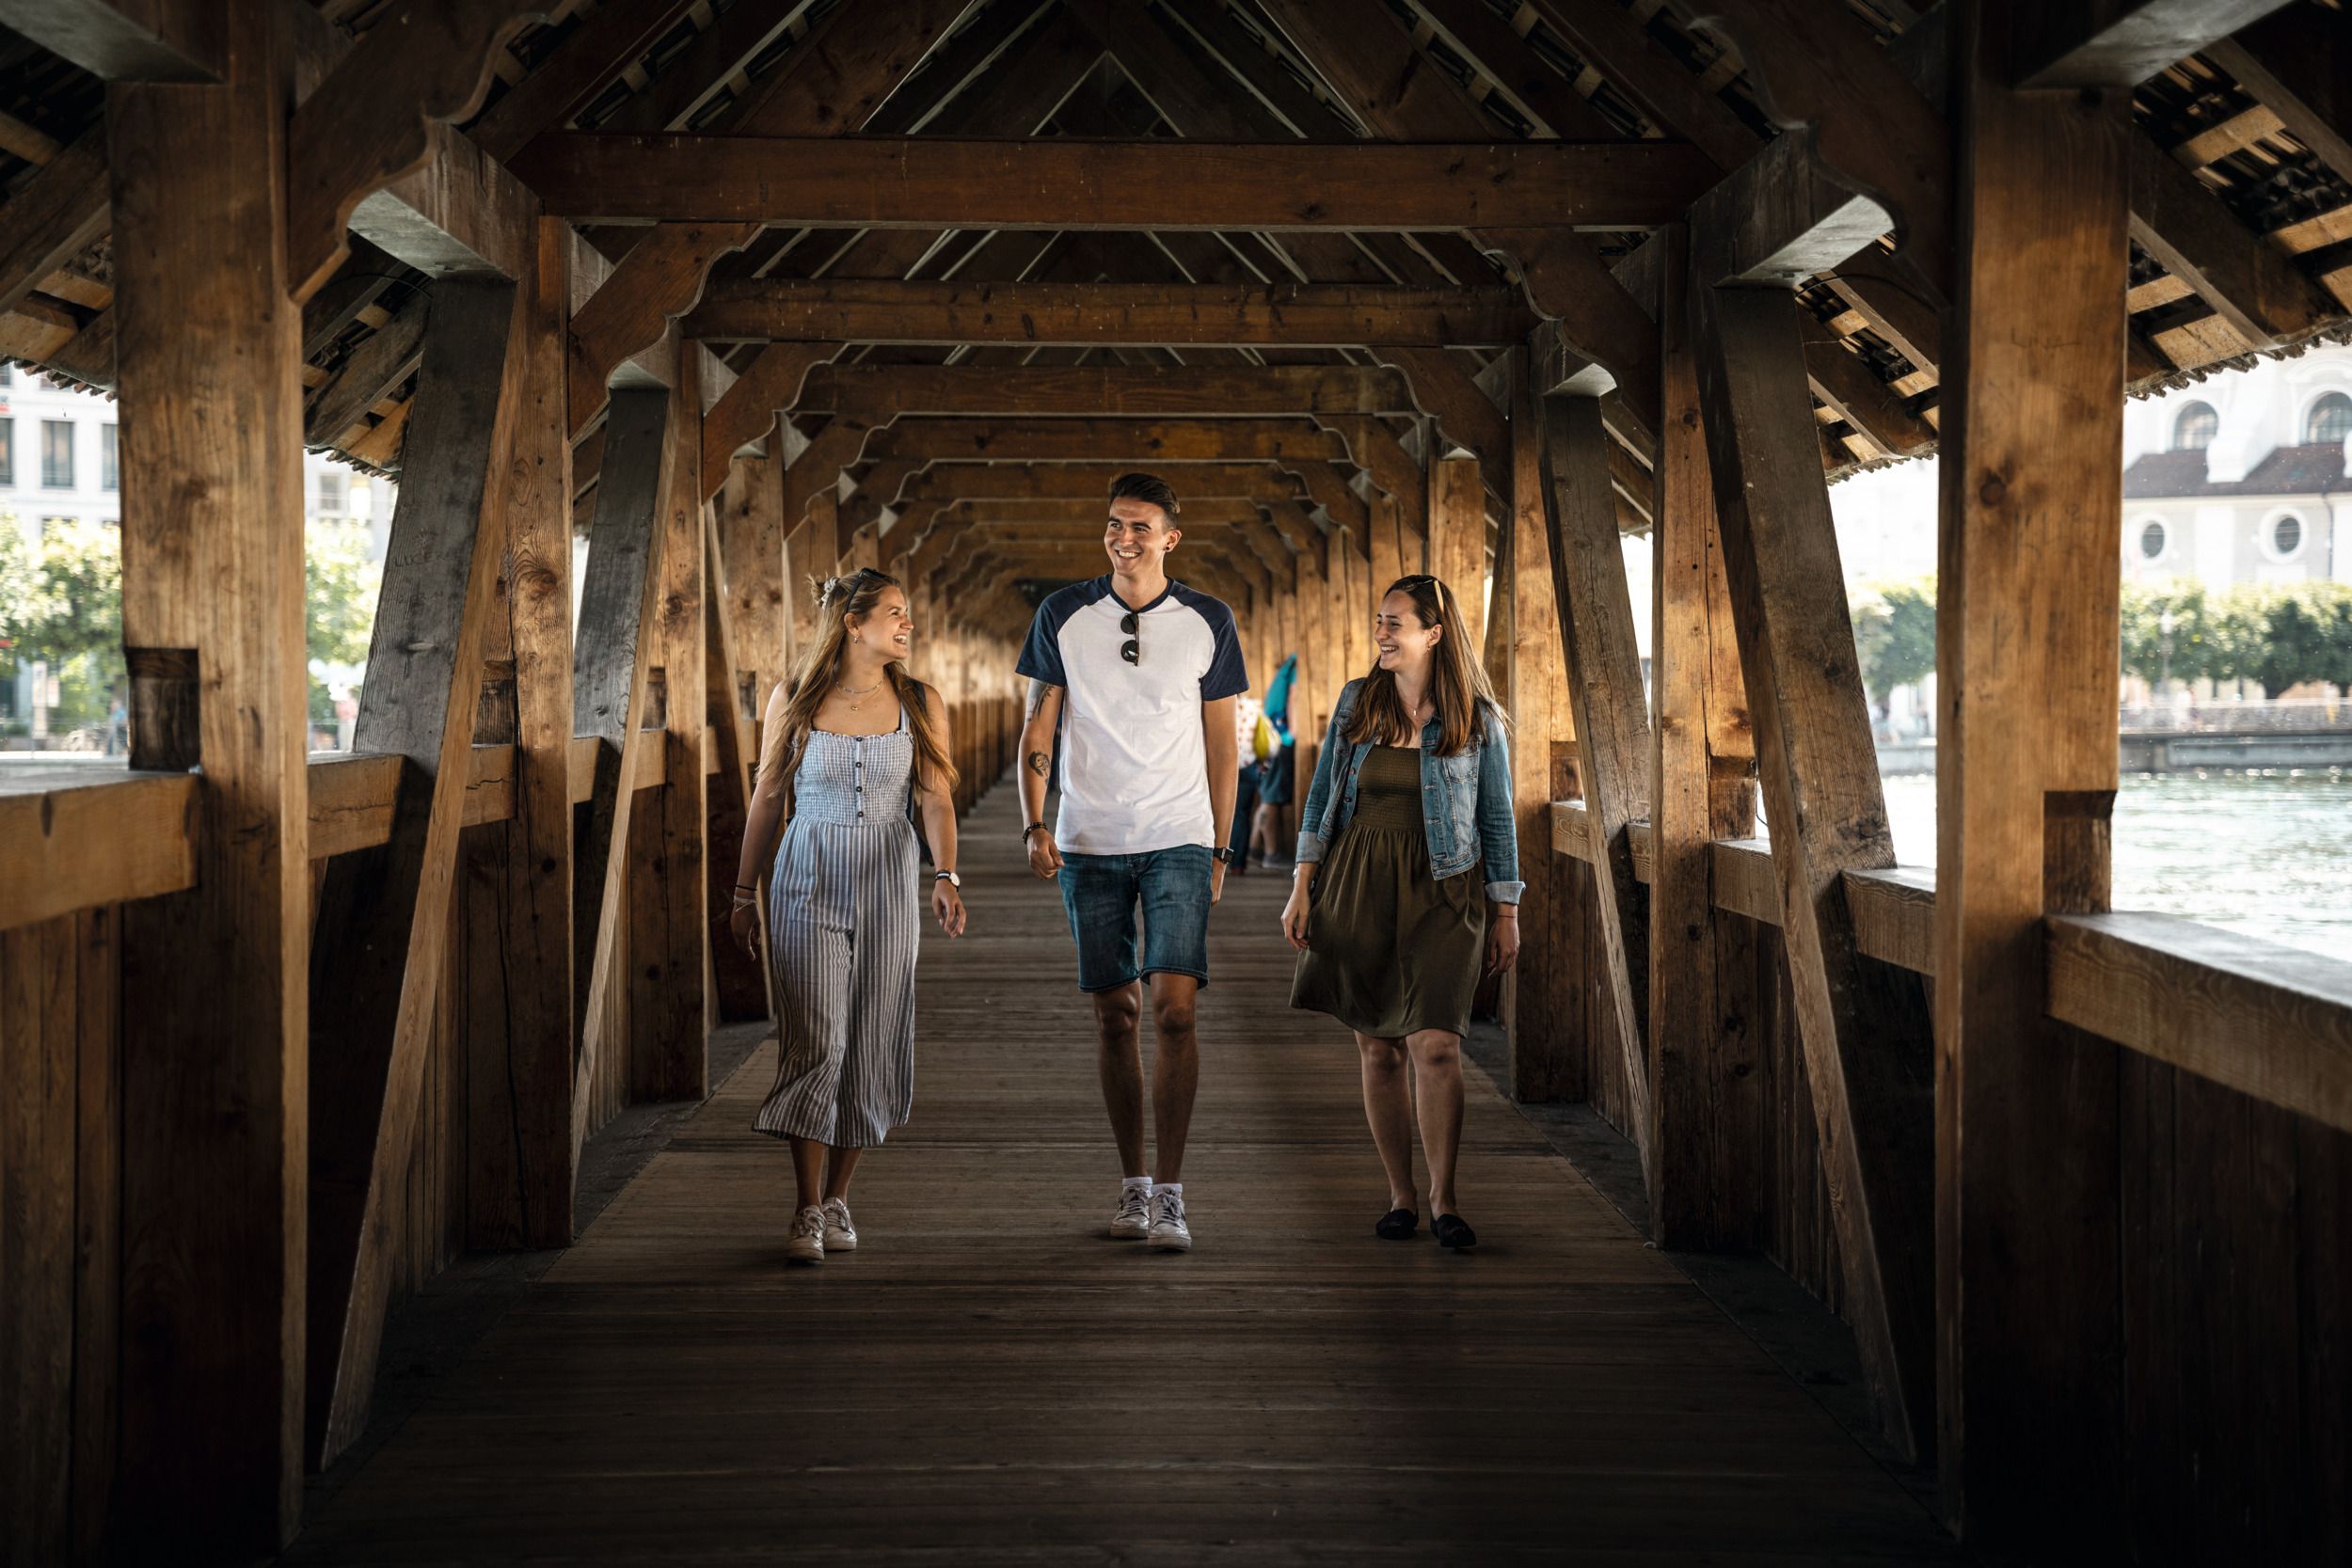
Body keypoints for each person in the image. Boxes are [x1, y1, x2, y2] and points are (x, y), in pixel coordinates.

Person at [1016, 472, 1248, 1253]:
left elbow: (1225, 742)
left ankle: (1175, 1194)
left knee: (1174, 1010)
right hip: (1088, 839)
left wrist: (1221, 842)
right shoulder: (1063, 613)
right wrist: (1032, 822)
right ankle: (1133, 1185)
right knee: (1114, 1015)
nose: (1124, 537)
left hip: (1180, 833)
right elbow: (1038, 727)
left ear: (1171, 538)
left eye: (1141, 526)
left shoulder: (1208, 618)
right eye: (1115, 524)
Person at [728, 567, 967, 1266]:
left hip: (890, 877)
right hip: (808, 874)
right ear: (852, 623)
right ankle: (805, 1207)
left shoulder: (920, 701)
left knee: (871, 1036)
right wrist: (743, 894)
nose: (908, 624)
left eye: (909, 612)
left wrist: (946, 873)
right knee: (816, 1037)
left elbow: (936, 799)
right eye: (895, 612)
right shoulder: (794, 699)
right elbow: (768, 797)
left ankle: (838, 1196)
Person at [1280, 574, 1521, 1251]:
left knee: (1436, 1043)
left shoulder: (1479, 716)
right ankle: (1401, 1195)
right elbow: (1323, 796)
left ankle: (1446, 1198)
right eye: (1378, 621)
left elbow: (1498, 818)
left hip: (1447, 887)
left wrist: (1506, 910)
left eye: (1395, 623)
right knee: (1377, 1046)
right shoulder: (1360, 702)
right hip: (1358, 879)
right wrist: (1302, 886)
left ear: (1433, 634)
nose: (1381, 633)